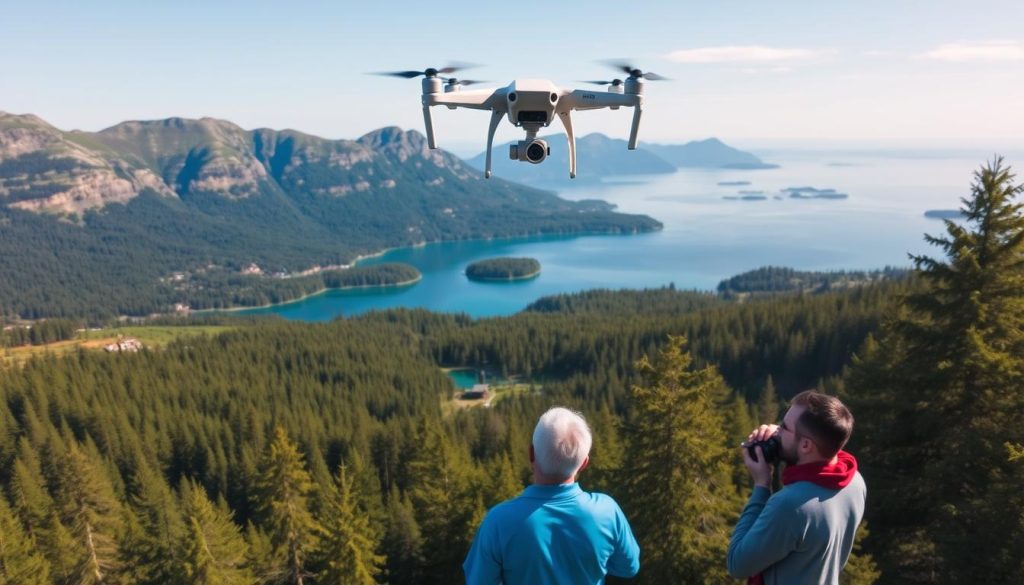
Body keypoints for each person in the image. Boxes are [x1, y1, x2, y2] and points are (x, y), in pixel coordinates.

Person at [463, 407, 640, 584]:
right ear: (584, 463)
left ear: (531, 453)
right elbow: (629, 567)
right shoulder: (607, 511)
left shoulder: (497, 521)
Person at [727, 390, 866, 585]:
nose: (777, 431)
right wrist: (788, 436)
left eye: (784, 427)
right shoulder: (855, 482)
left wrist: (761, 485)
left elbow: (737, 564)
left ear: (806, 445)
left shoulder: (791, 505)